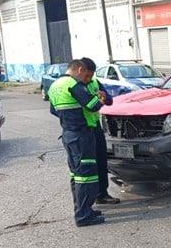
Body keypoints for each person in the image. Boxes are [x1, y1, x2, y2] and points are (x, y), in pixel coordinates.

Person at [48, 59, 107, 227]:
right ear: (79, 69)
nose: (85, 79)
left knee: (77, 175)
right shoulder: (73, 84)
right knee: (86, 176)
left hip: (68, 134)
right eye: (85, 75)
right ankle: (83, 215)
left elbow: (53, 110)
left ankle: (83, 209)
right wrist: (100, 99)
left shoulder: (55, 85)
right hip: (81, 135)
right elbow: (92, 105)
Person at [80, 58, 119, 205]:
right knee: (87, 166)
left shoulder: (95, 82)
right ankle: (89, 198)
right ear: (80, 71)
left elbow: (109, 100)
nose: (89, 78)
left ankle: (102, 194)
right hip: (81, 130)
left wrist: (104, 97)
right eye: (87, 75)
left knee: (101, 161)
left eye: (91, 75)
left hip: (96, 127)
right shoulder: (76, 86)